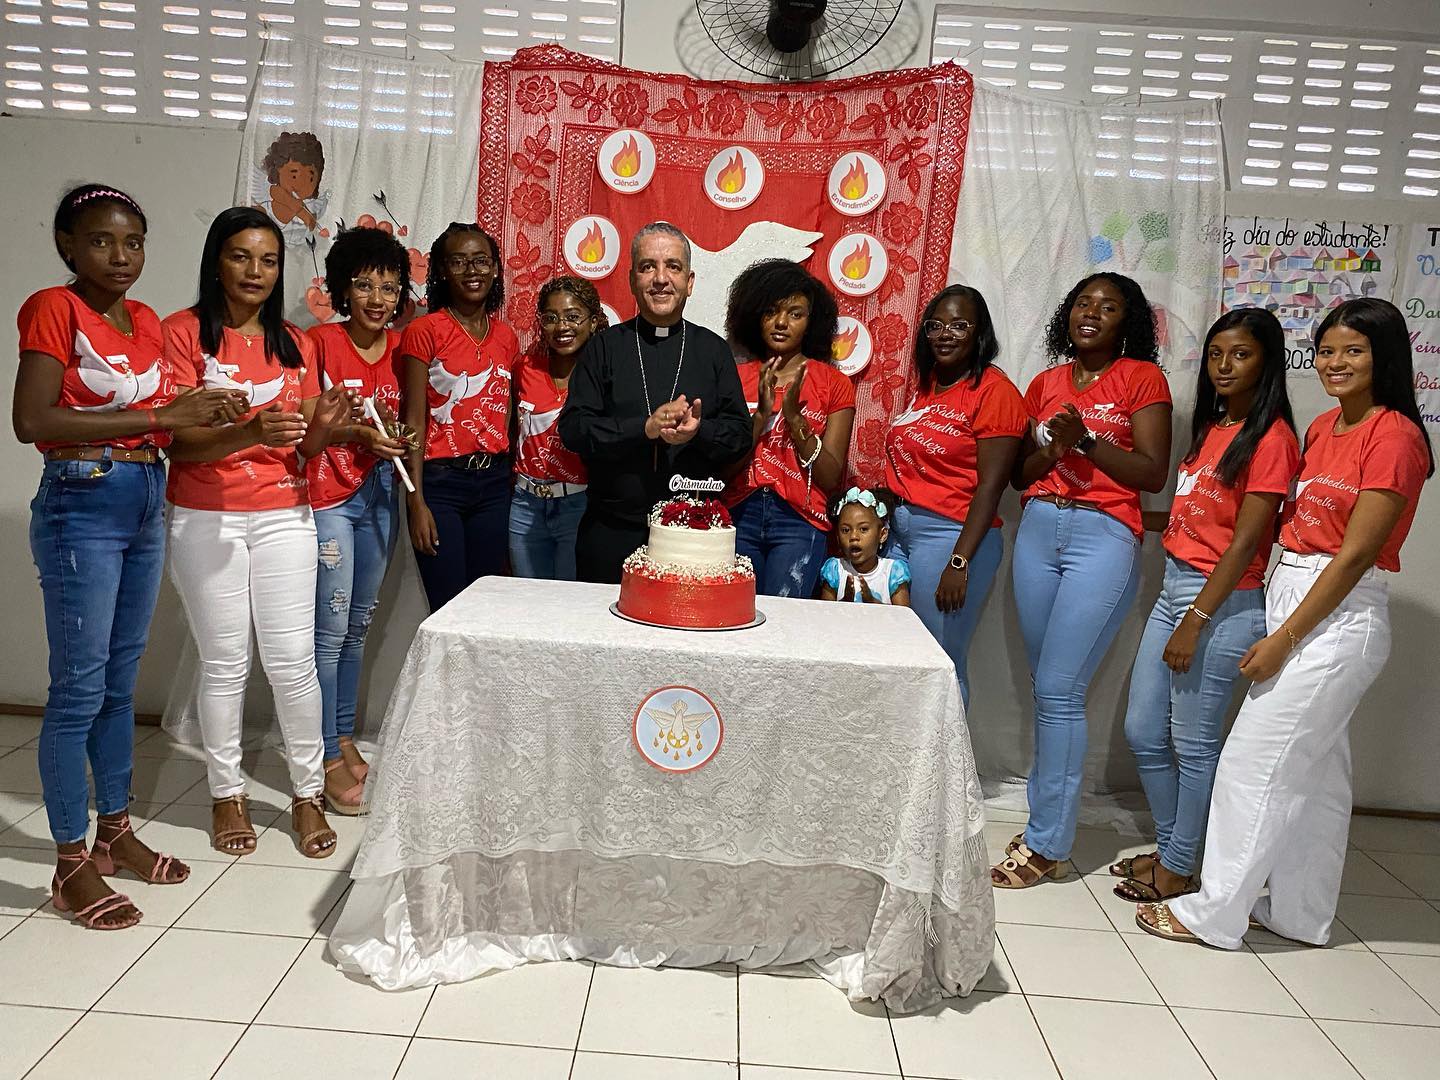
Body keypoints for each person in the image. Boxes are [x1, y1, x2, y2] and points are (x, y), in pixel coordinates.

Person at [1139, 298, 1433, 948]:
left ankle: (1213, 913)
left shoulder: (1396, 437)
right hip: (1294, 591)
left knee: (1251, 763)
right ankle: (1300, 913)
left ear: (1385, 357)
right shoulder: (1325, 427)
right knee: (1319, 779)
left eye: (1353, 351)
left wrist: (1285, 637)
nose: (1335, 363)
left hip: (1336, 616)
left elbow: (1354, 555)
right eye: (1326, 351)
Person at [13, 184, 245, 929]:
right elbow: (32, 419)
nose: (120, 256)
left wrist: (214, 413)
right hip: (82, 499)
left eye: (134, 242)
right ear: (67, 245)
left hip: (147, 495)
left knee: (119, 683)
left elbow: (166, 422)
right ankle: (68, 862)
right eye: (101, 240)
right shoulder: (54, 307)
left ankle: (114, 831)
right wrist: (162, 413)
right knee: (78, 690)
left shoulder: (145, 320)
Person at [164, 206, 354, 860]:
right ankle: (227, 794)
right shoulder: (183, 333)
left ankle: (307, 794)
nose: (256, 271)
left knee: (293, 661)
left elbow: (306, 449)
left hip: (285, 516)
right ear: (216, 260)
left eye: (269, 260)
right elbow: (176, 444)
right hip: (205, 517)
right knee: (225, 663)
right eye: (241, 256)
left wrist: (324, 423)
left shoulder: (296, 343)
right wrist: (248, 431)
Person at [993, 272, 1172, 890]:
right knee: (1049, 688)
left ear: (1128, 322)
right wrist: (1054, 449)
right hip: (1039, 531)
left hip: (1103, 535)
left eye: (1108, 306)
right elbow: (1021, 474)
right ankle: (1045, 825)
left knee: (1060, 690)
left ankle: (1047, 844)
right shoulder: (1045, 384)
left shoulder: (1142, 378)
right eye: (1082, 303)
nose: (1091, 313)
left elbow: (1151, 472)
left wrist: (1087, 442)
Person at [1113, 309, 1299, 903]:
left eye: (1241, 354)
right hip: (1175, 587)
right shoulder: (1216, 426)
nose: (1224, 365)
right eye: (1216, 354)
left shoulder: (1272, 439)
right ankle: (1176, 850)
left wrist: (1195, 620)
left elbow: (1245, 541)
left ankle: (1178, 866)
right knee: (1144, 730)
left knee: (1193, 745)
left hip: (1220, 602)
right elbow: (1198, 516)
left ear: (1267, 362)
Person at [558, 222, 752, 583]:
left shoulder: (713, 350)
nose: (661, 279)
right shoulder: (604, 347)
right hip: (612, 530)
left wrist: (699, 432)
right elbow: (573, 429)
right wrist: (643, 428)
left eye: (673, 267)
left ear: (689, 282)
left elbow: (740, 435)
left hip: (692, 535)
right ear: (632, 280)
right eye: (648, 267)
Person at [306, 227, 410, 814]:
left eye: (389, 287)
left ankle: (343, 737)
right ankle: (322, 755)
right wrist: (359, 433)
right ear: (343, 289)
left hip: (379, 494)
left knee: (356, 627)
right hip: (327, 496)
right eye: (365, 285)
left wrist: (397, 437)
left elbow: (406, 418)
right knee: (328, 629)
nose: (377, 299)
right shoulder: (320, 342)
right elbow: (306, 424)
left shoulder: (402, 348)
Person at [885, 285, 1024, 705]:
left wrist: (959, 561)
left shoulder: (995, 391)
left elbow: (991, 486)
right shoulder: (929, 385)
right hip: (902, 533)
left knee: (940, 663)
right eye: (936, 325)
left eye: (960, 325)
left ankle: (949, 752)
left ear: (980, 333)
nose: (945, 334)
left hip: (951, 537)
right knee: (902, 658)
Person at [400, 223, 520, 611]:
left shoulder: (507, 337)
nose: (472, 271)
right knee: (447, 609)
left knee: (485, 609)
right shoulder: (424, 330)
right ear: (442, 271)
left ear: (495, 268)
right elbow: (413, 420)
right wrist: (415, 501)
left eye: (481, 260)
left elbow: (509, 415)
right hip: (441, 485)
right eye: (459, 262)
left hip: (494, 485)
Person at [722, 258, 853, 599]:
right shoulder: (734, 378)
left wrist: (795, 421)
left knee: (783, 621)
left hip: (799, 520)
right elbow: (722, 471)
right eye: (771, 312)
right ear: (755, 316)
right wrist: (761, 417)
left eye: (795, 314)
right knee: (734, 617)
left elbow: (830, 477)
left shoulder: (834, 384)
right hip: (738, 512)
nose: (781, 323)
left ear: (812, 322)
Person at [509, 276, 605, 580]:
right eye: (551, 318)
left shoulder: (603, 375)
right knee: (527, 598)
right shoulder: (526, 367)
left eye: (573, 316)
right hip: (525, 506)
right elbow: (511, 431)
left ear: (593, 322)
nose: (562, 326)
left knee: (568, 601)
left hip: (578, 505)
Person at [817, 487, 911, 606]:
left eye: (863, 529)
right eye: (845, 530)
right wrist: (845, 602)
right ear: (837, 537)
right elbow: (825, 613)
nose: (853, 536)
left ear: (882, 535)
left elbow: (902, 615)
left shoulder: (893, 572)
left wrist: (872, 603)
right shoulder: (834, 570)